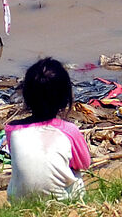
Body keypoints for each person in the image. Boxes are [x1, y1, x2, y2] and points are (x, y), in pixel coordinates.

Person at [6, 57, 93, 201]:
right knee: (74, 173)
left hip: (18, 201)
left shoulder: (12, 129)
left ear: (26, 96)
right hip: (62, 200)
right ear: (65, 97)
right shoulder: (69, 130)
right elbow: (83, 164)